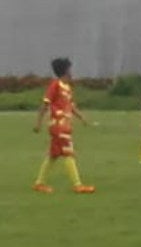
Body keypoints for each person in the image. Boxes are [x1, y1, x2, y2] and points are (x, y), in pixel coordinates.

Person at [31, 57, 95, 194]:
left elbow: (71, 106)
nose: (72, 72)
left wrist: (82, 117)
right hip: (58, 126)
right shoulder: (55, 85)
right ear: (65, 71)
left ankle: (39, 183)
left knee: (53, 155)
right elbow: (45, 104)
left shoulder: (68, 88)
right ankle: (78, 185)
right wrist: (38, 123)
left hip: (65, 125)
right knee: (68, 153)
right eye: (70, 69)